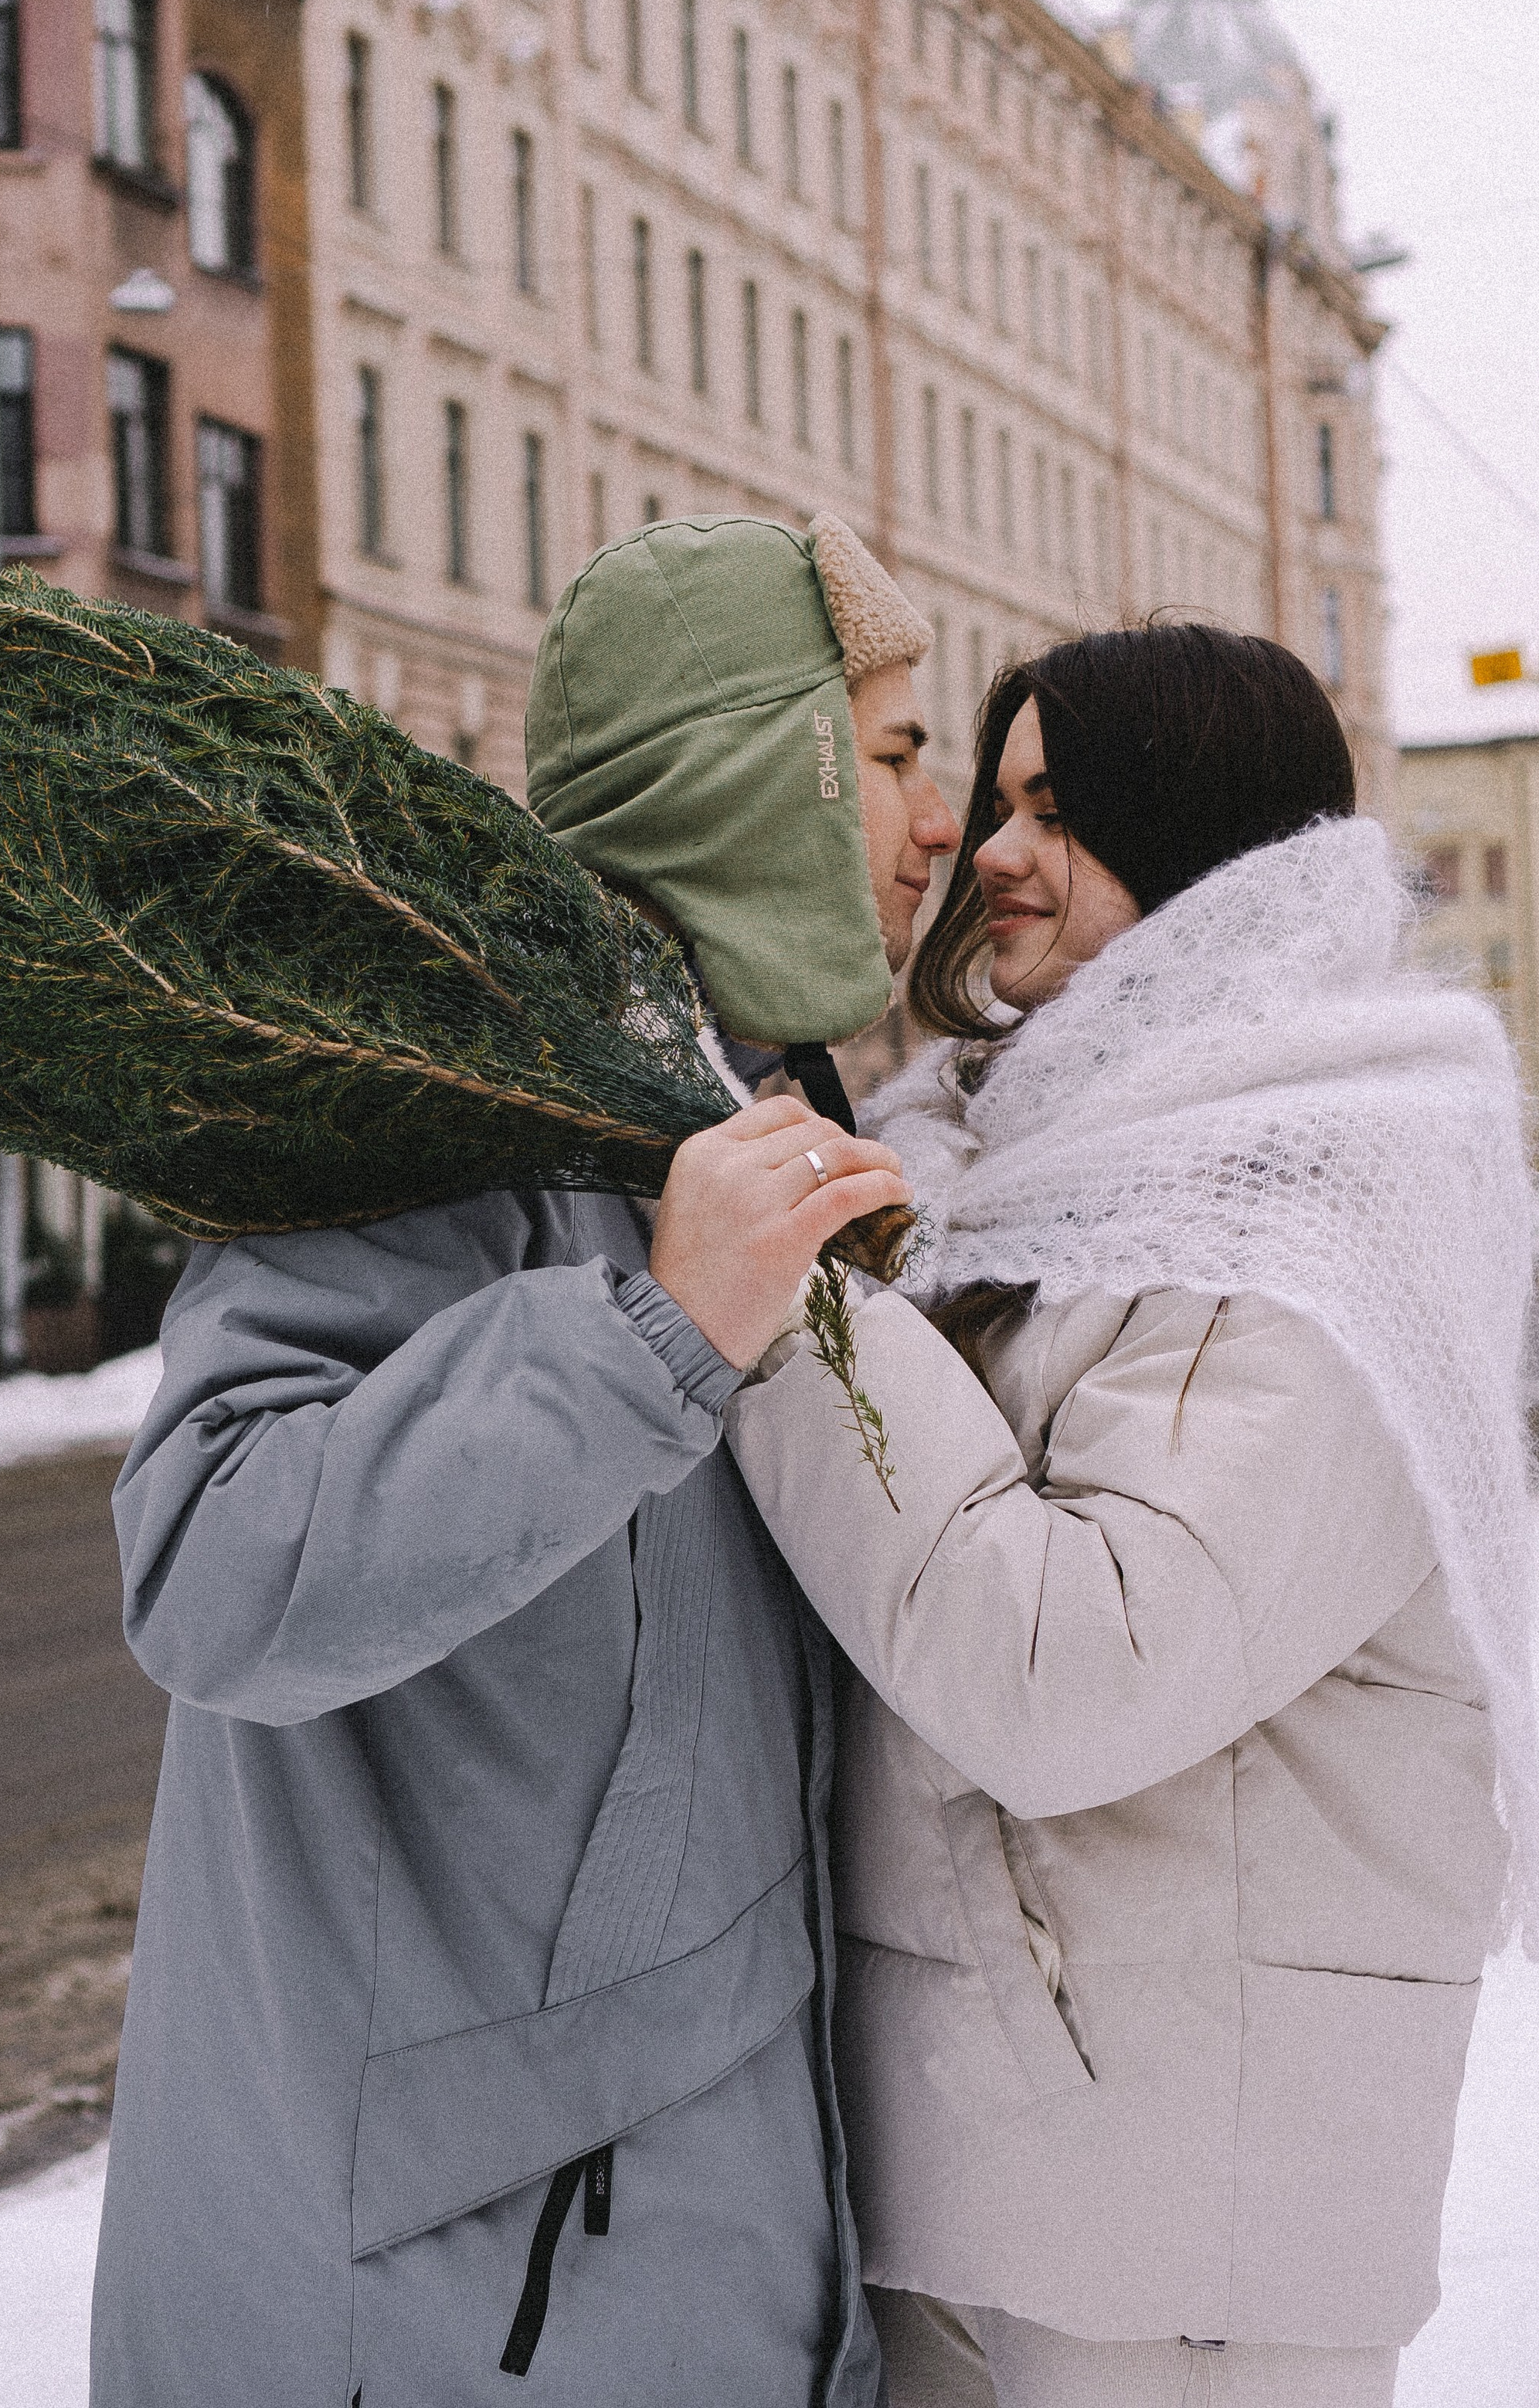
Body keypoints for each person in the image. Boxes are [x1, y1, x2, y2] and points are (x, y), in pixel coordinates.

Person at [92, 515, 942, 2408]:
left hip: (668, 2268)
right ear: (750, 781)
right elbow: (212, 1570)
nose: (940, 816)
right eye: (888, 756)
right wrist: (648, 1335)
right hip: (448, 2306)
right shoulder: (428, 1117)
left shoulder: (730, 1126)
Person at [657, 623, 1539, 2408]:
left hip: (1185, 2222)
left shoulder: (1327, 1191)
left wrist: (787, 1300)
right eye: (991, 799)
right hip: (971, 2153)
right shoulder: (998, 1153)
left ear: (1201, 839)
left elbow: (1075, 1673)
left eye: (1055, 808)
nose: (985, 852)